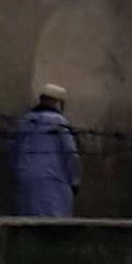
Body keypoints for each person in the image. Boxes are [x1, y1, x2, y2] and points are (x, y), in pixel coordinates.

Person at [9, 84, 81, 218]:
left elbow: (14, 150)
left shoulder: (25, 121)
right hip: (55, 179)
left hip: (25, 177)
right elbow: (70, 153)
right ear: (58, 102)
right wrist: (75, 180)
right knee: (54, 219)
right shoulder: (59, 122)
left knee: (28, 218)